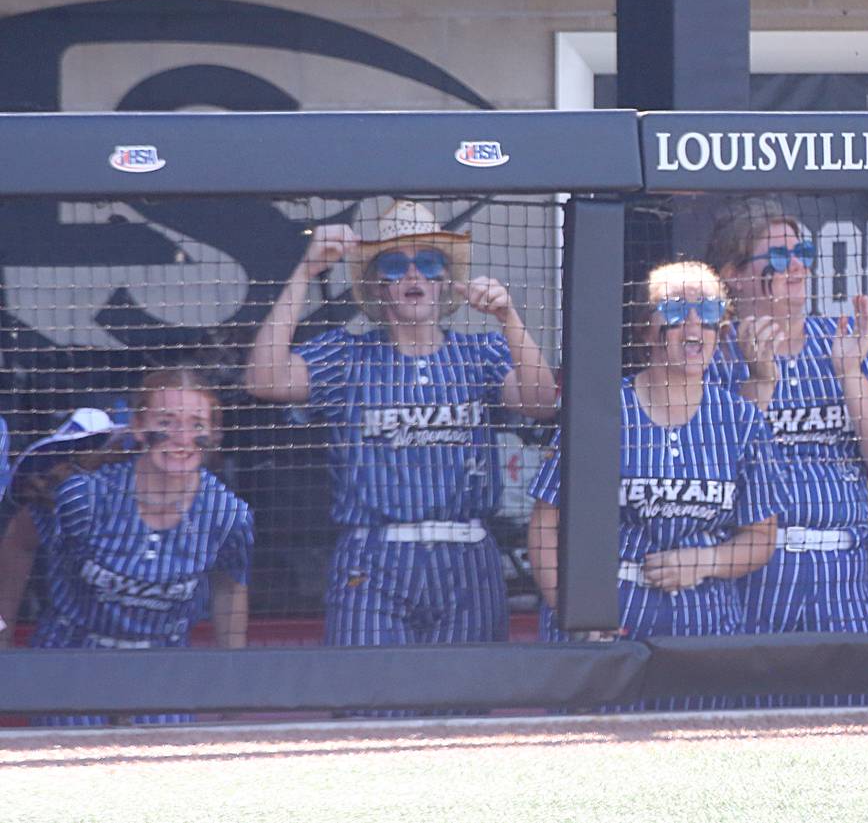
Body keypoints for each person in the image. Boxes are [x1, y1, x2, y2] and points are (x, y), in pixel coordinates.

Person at [246, 200, 558, 659]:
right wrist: (304, 272)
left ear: (444, 281)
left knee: (465, 711)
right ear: (375, 284)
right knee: (370, 710)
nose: (413, 276)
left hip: (467, 557)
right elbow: (263, 379)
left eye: (428, 262)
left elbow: (542, 401)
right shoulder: (345, 356)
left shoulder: (483, 351)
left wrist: (509, 318)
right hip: (373, 559)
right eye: (395, 264)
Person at [527, 261, 788, 711]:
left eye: (706, 311)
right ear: (647, 331)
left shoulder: (741, 421)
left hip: (704, 623)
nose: (693, 324)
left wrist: (706, 561)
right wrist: (573, 614)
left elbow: (761, 538)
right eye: (675, 309)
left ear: (720, 329)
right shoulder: (605, 411)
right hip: (612, 618)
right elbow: (545, 525)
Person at [702, 197, 868, 707]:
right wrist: (758, 379)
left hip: (840, 570)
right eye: (776, 257)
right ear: (733, 274)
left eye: (803, 252)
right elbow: (710, 468)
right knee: (749, 728)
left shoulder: (844, 339)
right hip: (752, 573)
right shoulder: (708, 351)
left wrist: (848, 373)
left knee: (852, 725)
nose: (796, 266)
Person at [21, 373, 253, 726]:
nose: (182, 438)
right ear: (139, 429)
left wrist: (234, 682)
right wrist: (2, 630)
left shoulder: (228, 514)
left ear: (214, 437)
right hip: (71, 656)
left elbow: (230, 588)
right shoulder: (85, 496)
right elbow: (18, 545)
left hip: (164, 663)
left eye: (196, 425)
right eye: (167, 423)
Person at [0, 408, 121, 650]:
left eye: (94, 445)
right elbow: (17, 550)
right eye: (76, 449)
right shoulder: (42, 511)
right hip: (63, 651)